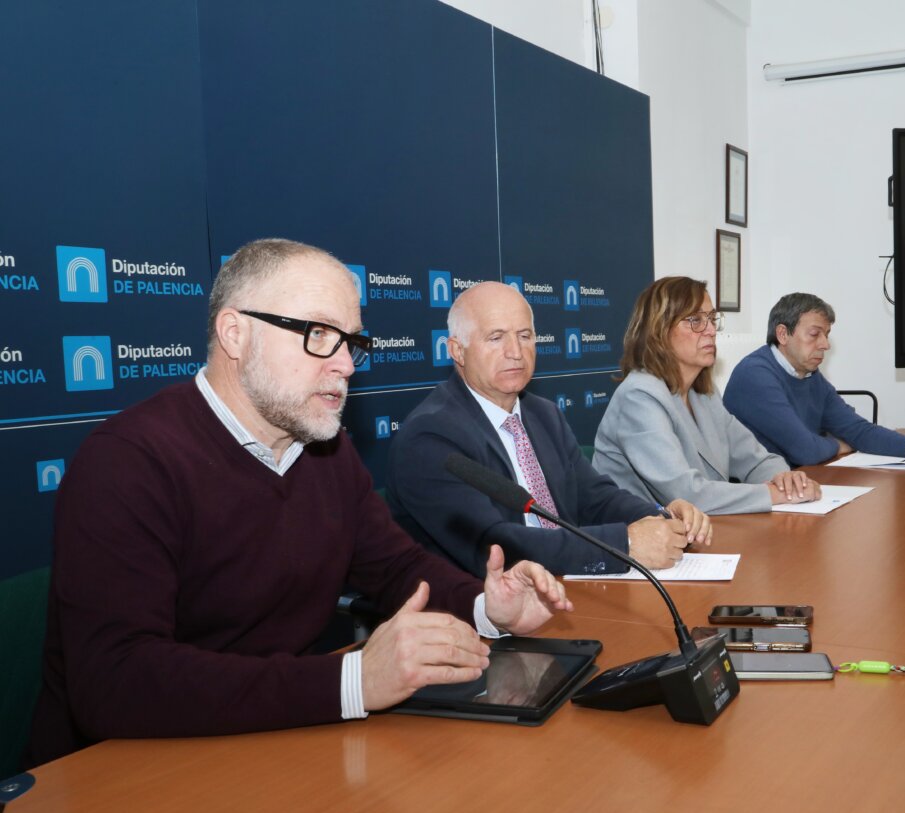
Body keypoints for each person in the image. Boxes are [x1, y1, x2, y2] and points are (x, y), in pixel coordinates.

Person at [26, 239, 573, 767]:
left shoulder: (324, 450)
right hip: (125, 774)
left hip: (277, 745)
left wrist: (486, 606)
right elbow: (115, 681)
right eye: (317, 334)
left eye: (352, 342)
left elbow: (396, 567)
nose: (346, 366)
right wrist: (353, 681)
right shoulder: (128, 461)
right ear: (235, 334)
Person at [386, 281, 711, 577]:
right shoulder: (430, 436)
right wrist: (624, 543)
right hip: (481, 613)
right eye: (496, 338)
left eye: (525, 336)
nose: (515, 352)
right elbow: (495, 543)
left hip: (567, 585)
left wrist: (660, 516)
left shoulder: (543, 414)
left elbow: (594, 498)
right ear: (457, 350)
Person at [592, 276, 820, 515]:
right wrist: (773, 494)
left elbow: (754, 458)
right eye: (695, 321)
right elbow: (686, 494)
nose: (711, 330)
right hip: (640, 539)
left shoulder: (704, 394)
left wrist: (785, 479)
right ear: (658, 330)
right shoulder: (638, 397)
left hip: (702, 531)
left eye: (712, 319)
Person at [723, 293, 905, 467]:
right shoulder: (755, 375)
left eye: (826, 335)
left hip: (799, 484)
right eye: (815, 334)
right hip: (758, 497)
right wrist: (839, 445)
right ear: (783, 334)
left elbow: (857, 430)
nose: (825, 345)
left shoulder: (809, 375)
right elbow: (805, 451)